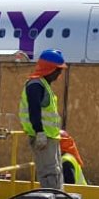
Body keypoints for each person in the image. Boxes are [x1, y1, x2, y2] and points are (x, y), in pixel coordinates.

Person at [18, 48, 67, 190]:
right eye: (58, 70)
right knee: (49, 173)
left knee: (55, 171)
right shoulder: (36, 85)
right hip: (43, 137)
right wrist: (39, 132)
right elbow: (34, 109)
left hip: (50, 137)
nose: (59, 74)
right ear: (49, 69)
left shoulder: (44, 85)